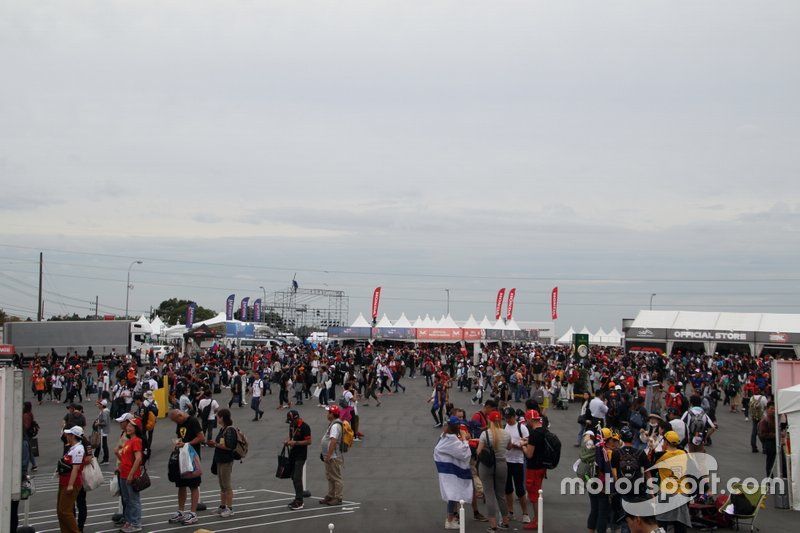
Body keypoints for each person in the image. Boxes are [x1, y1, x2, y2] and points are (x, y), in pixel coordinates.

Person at [434, 415, 473, 530]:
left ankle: (451, 518)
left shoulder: (445, 436)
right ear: (456, 427)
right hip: (449, 470)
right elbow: (465, 454)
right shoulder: (451, 439)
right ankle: (450, 520)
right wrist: (465, 439)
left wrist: (461, 439)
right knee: (453, 493)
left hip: (447, 468)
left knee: (453, 493)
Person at [475, 409, 512, 532]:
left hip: (487, 466)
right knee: (501, 494)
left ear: (490, 420)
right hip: (502, 464)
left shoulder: (485, 434)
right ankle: (506, 522)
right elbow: (509, 447)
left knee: (489, 493)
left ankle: (493, 524)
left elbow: (478, 452)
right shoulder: (506, 433)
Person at [168, 409, 206, 525]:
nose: (176, 423)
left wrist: (187, 444)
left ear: (180, 415)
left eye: (176, 420)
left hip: (192, 457)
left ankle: (193, 513)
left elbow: (201, 437)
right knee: (181, 485)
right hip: (182, 456)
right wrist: (178, 444)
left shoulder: (193, 421)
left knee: (193, 485)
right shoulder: (180, 423)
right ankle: (181, 511)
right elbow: (180, 437)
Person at [503, 407, 531, 525]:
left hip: (518, 461)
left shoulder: (522, 427)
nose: (508, 420)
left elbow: (528, 443)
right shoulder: (505, 426)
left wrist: (516, 445)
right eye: (506, 418)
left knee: (520, 489)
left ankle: (525, 513)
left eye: (510, 417)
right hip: (506, 460)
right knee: (508, 488)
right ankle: (510, 511)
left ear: (514, 416)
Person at [207, 408, 237, 517]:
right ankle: (223, 506)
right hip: (220, 460)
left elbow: (230, 447)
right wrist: (215, 444)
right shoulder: (223, 429)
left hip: (226, 460)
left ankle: (230, 508)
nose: (216, 418)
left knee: (226, 485)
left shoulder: (229, 430)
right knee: (222, 485)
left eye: (218, 416)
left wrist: (215, 444)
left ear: (222, 418)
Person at [117, 417, 144, 532]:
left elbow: (138, 459)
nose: (128, 427)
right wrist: (117, 455)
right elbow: (125, 459)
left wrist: (131, 474)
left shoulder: (136, 440)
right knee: (127, 500)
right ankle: (129, 521)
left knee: (133, 500)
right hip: (123, 474)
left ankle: (136, 523)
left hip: (130, 475)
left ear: (136, 429)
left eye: (131, 426)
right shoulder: (128, 441)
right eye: (128, 425)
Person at [57, 426, 85, 533]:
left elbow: (76, 468)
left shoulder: (78, 449)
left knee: (65, 511)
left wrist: (70, 485)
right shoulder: (72, 447)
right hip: (64, 482)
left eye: (68, 434)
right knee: (61, 511)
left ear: (73, 436)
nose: (66, 436)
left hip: (70, 483)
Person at [522, 410, 546, 530]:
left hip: (533, 468)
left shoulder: (534, 434)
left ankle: (537, 520)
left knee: (534, 495)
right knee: (537, 493)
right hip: (542, 467)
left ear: (530, 420)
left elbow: (529, 454)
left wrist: (523, 446)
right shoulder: (544, 430)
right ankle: (537, 519)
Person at [285, 409, 312, 510]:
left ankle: (300, 501)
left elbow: (309, 441)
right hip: (293, 454)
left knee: (297, 477)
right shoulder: (292, 426)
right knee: (293, 477)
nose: (290, 423)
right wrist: (288, 441)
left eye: (291, 420)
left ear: (296, 418)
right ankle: (297, 497)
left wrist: (295, 443)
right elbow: (292, 437)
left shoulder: (305, 427)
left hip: (301, 455)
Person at [319, 405, 344, 506]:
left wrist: (328, 455)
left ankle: (338, 497)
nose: (327, 414)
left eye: (329, 412)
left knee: (336, 477)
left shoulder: (335, 426)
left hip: (333, 456)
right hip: (329, 455)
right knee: (330, 476)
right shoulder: (333, 424)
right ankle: (331, 495)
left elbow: (333, 441)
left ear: (332, 414)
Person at [758, 401, 777, 478]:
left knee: (774, 462)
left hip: (775, 443)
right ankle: (769, 479)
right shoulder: (765, 420)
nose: (773, 410)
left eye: (774, 409)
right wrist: (774, 435)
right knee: (770, 462)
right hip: (769, 443)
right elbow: (762, 434)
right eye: (771, 409)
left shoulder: (774, 418)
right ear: (767, 409)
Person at [22, 401, 39, 472]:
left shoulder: (26, 415)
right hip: (28, 433)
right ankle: (34, 464)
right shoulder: (29, 413)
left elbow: (26, 425)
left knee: (27, 449)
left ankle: (28, 466)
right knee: (29, 449)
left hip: (26, 434)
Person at [95, 399, 111, 464]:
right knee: (101, 445)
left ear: (102, 405)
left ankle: (105, 459)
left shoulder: (104, 412)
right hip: (102, 431)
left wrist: (98, 423)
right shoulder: (104, 411)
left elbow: (105, 422)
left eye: (99, 404)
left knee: (102, 445)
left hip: (103, 431)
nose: (98, 406)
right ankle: (97, 458)